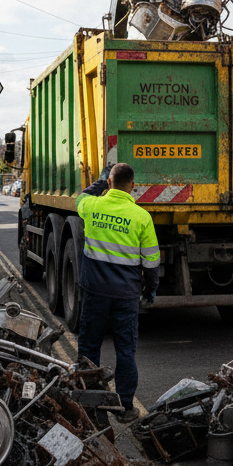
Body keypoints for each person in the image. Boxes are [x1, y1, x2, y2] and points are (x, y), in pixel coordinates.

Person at [75, 162, 160, 423]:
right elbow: (151, 261)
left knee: (89, 347)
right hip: (126, 295)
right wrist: (150, 289)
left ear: (110, 183)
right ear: (133, 187)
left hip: (95, 292)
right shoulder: (141, 217)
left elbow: (81, 198)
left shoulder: (93, 207)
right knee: (125, 349)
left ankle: (92, 403)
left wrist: (100, 182)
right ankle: (125, 407)